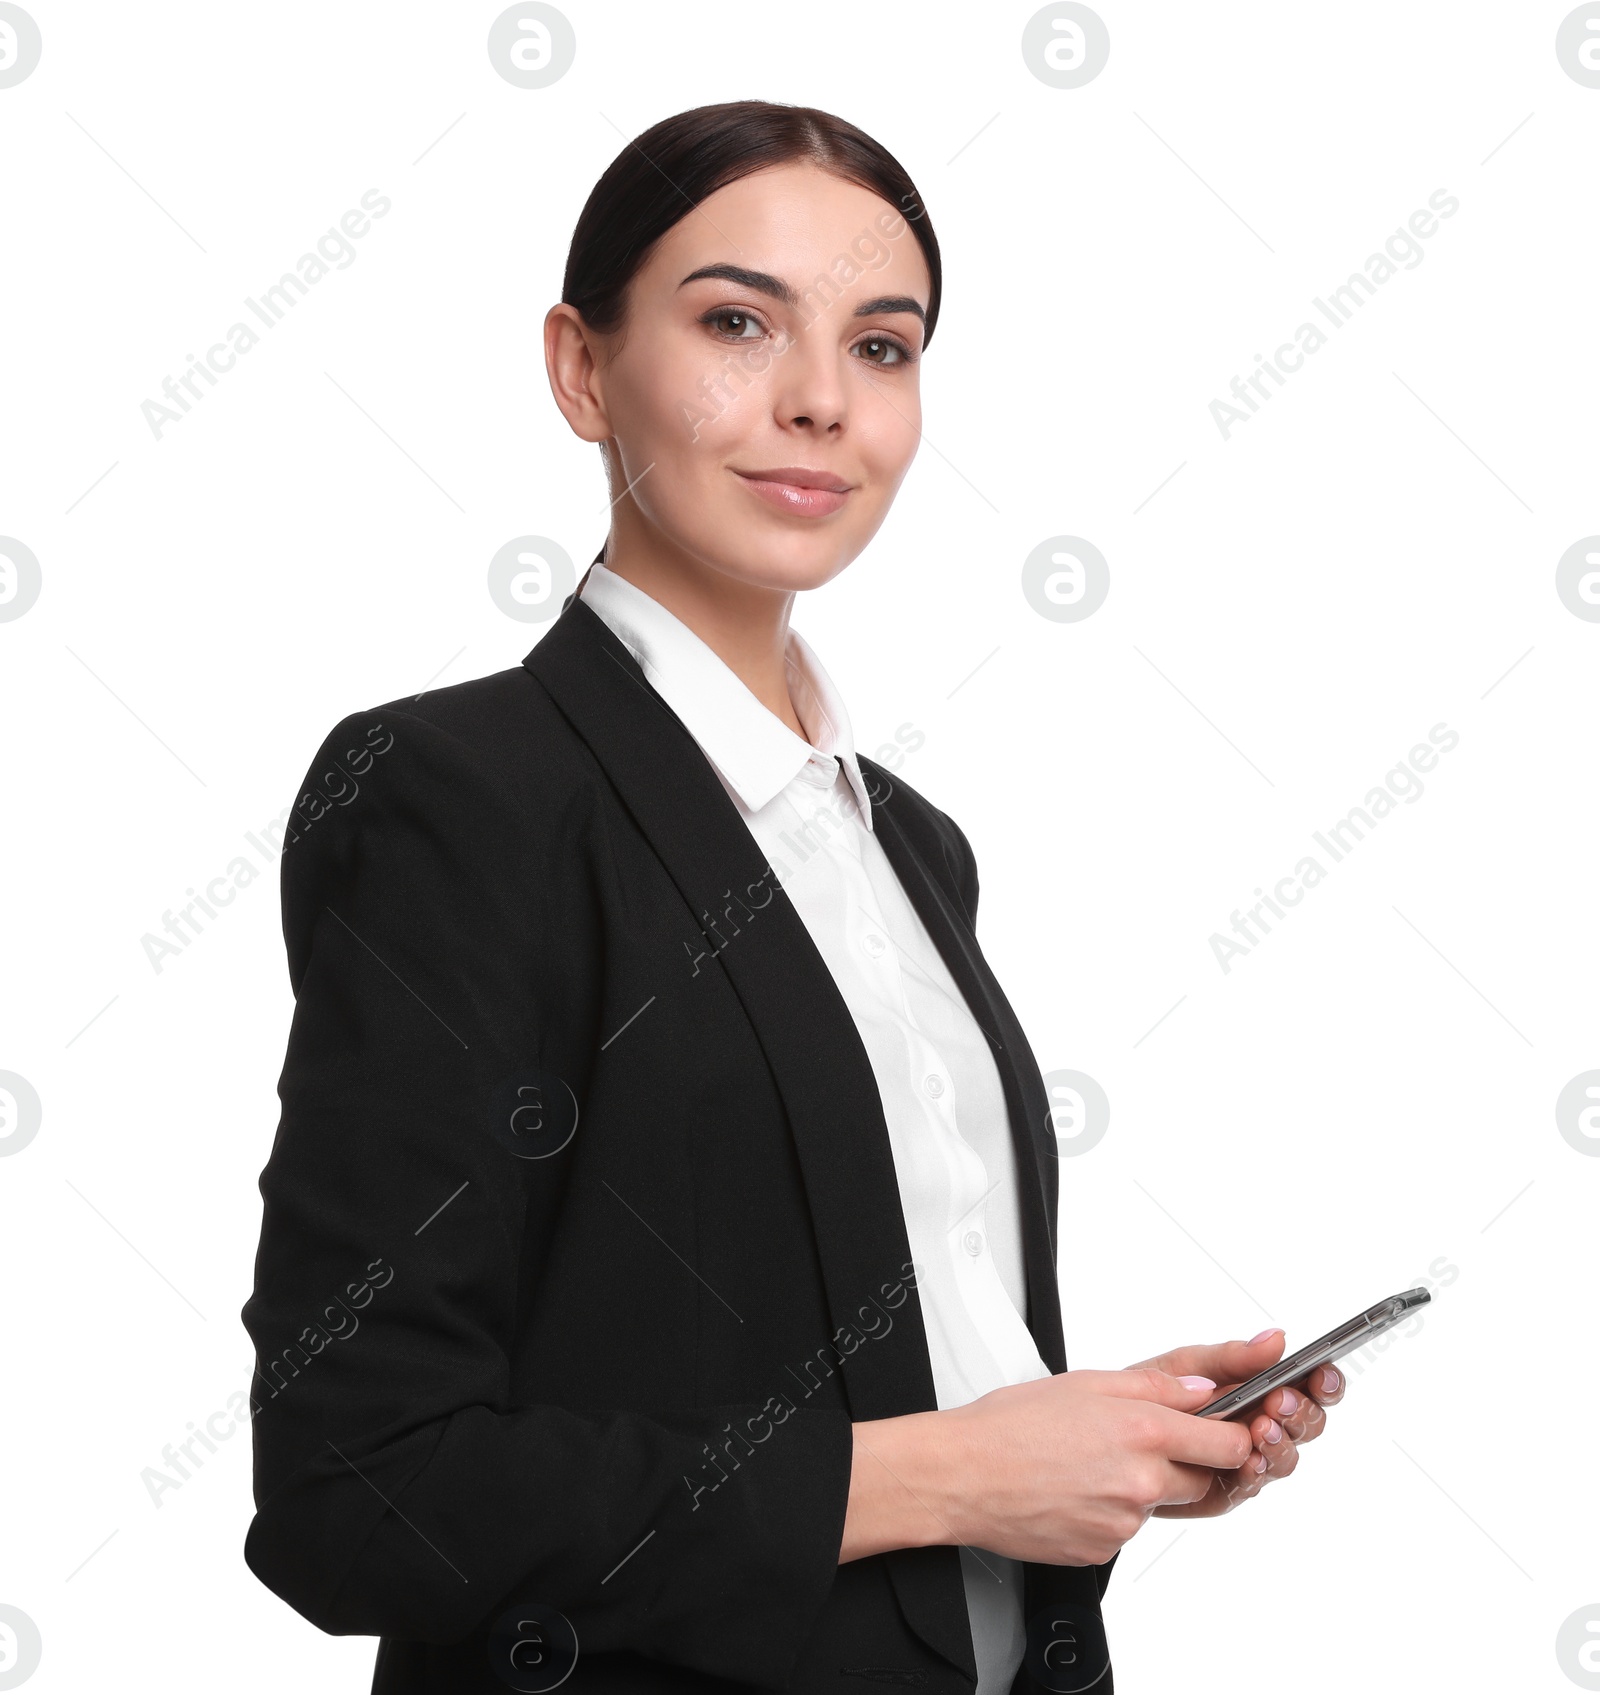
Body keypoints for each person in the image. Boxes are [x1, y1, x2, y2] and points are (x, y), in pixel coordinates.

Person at [241, 100, 1344, 1694]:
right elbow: (362, 1486)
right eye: (738, 323)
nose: (822, 401)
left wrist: (1094, 1445)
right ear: (580, 368)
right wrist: (950, 1473)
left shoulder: (910, 845)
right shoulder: (462, 797)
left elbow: (838, 1345)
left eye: (882, 346)